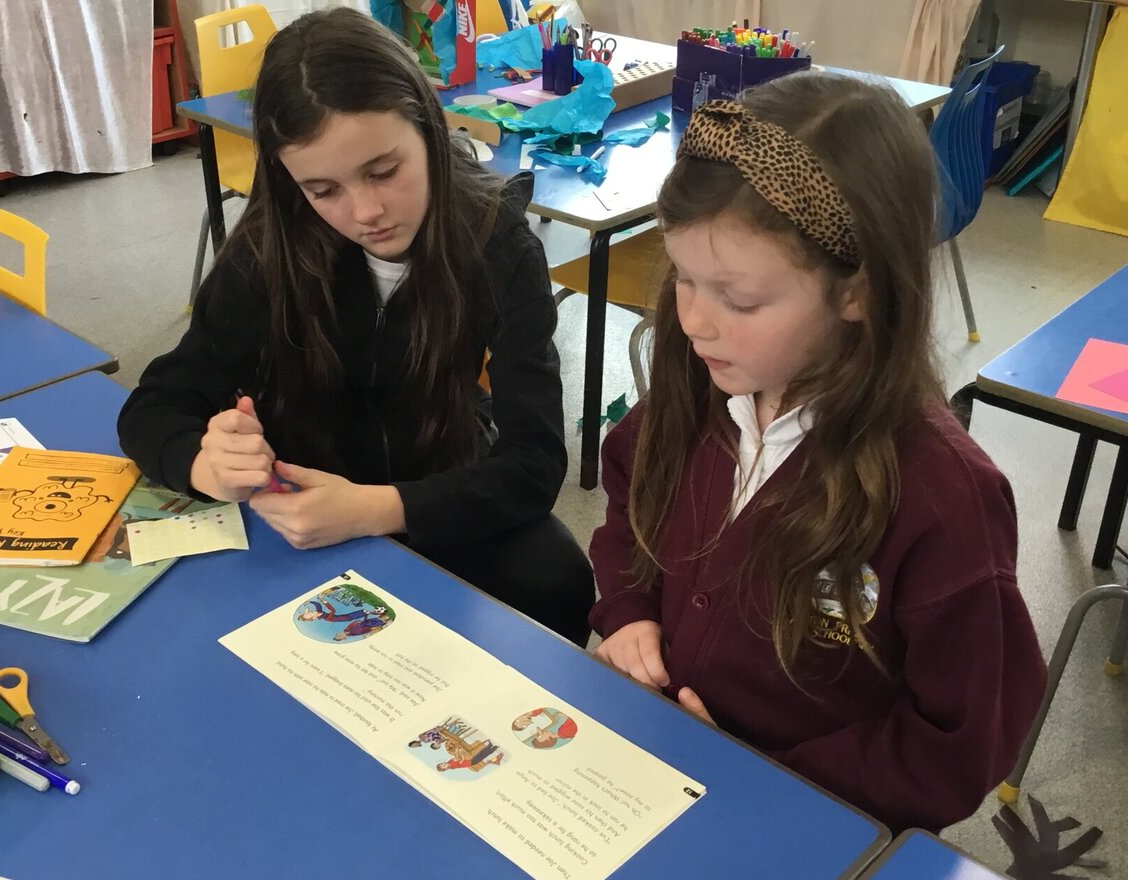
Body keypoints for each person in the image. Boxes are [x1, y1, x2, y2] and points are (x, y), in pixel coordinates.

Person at [587, 72, 1047, 832]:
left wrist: (767, 783)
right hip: (654, 768)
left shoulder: (941, 496)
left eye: (739, 299)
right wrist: (628, 611)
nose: (695, 321)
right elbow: (631, 492)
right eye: (683, 280)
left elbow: (959, 742)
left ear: (857, 292)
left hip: (805, 822)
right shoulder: (704, 381)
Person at [118, 8, 593, 645]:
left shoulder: (497, 244)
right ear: (291, 185)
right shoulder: (271, 250)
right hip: (297, 508)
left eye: (383, 171)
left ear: (427, 128)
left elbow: (534, 463)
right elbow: (154, 405)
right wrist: (203, 462)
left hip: (431, 490)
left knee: (558, 578)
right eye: (322, 189)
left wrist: (376, 509)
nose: (365, 212)